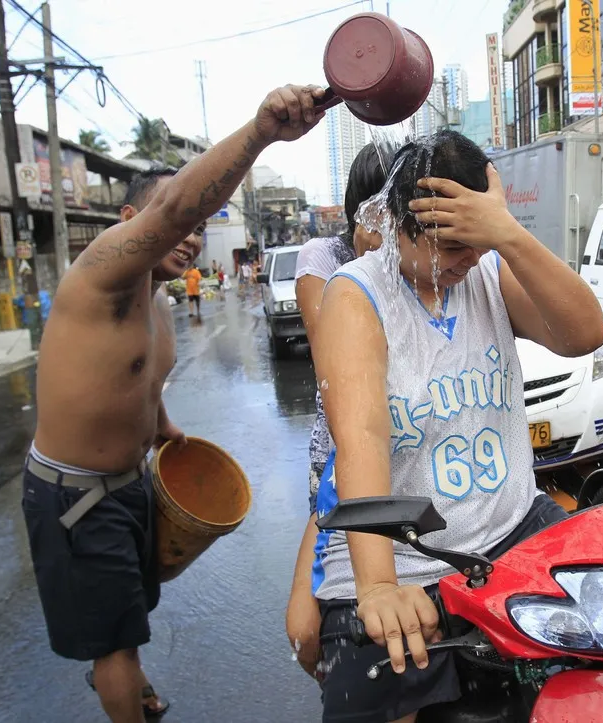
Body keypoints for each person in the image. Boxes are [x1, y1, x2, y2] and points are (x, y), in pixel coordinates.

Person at [22, 83, 326, 723]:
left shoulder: (157, 304)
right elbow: (181, 205)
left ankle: (124, 675)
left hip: (129, 483)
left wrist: (163, 429)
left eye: (196, 229)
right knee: (116, 643)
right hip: (76, 494)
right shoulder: (103, 274)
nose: (191, 238)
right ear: (134, 224)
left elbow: (141, 382)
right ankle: (121, 682)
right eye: (178, 223)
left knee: (132, 608)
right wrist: (261, 129)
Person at [309, 131, 603, 722]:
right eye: (448, 247)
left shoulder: (490, 269)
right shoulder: (356, 296)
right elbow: (361, 441)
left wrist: (508, 235)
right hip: (406, 551)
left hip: (510, 526)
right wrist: (376, 588)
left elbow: (582, 334)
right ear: (399, 224)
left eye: (474, 243)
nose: (464, 262)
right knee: (370, 689)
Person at [286, 143, 386, 679]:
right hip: (339, 451)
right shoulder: (323, 257)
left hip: (408, 446)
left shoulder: (419, 255)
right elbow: (334, 363)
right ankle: (334, 677)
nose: (384, 225)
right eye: (374, 210)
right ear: (355, 209)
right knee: (311, 622)